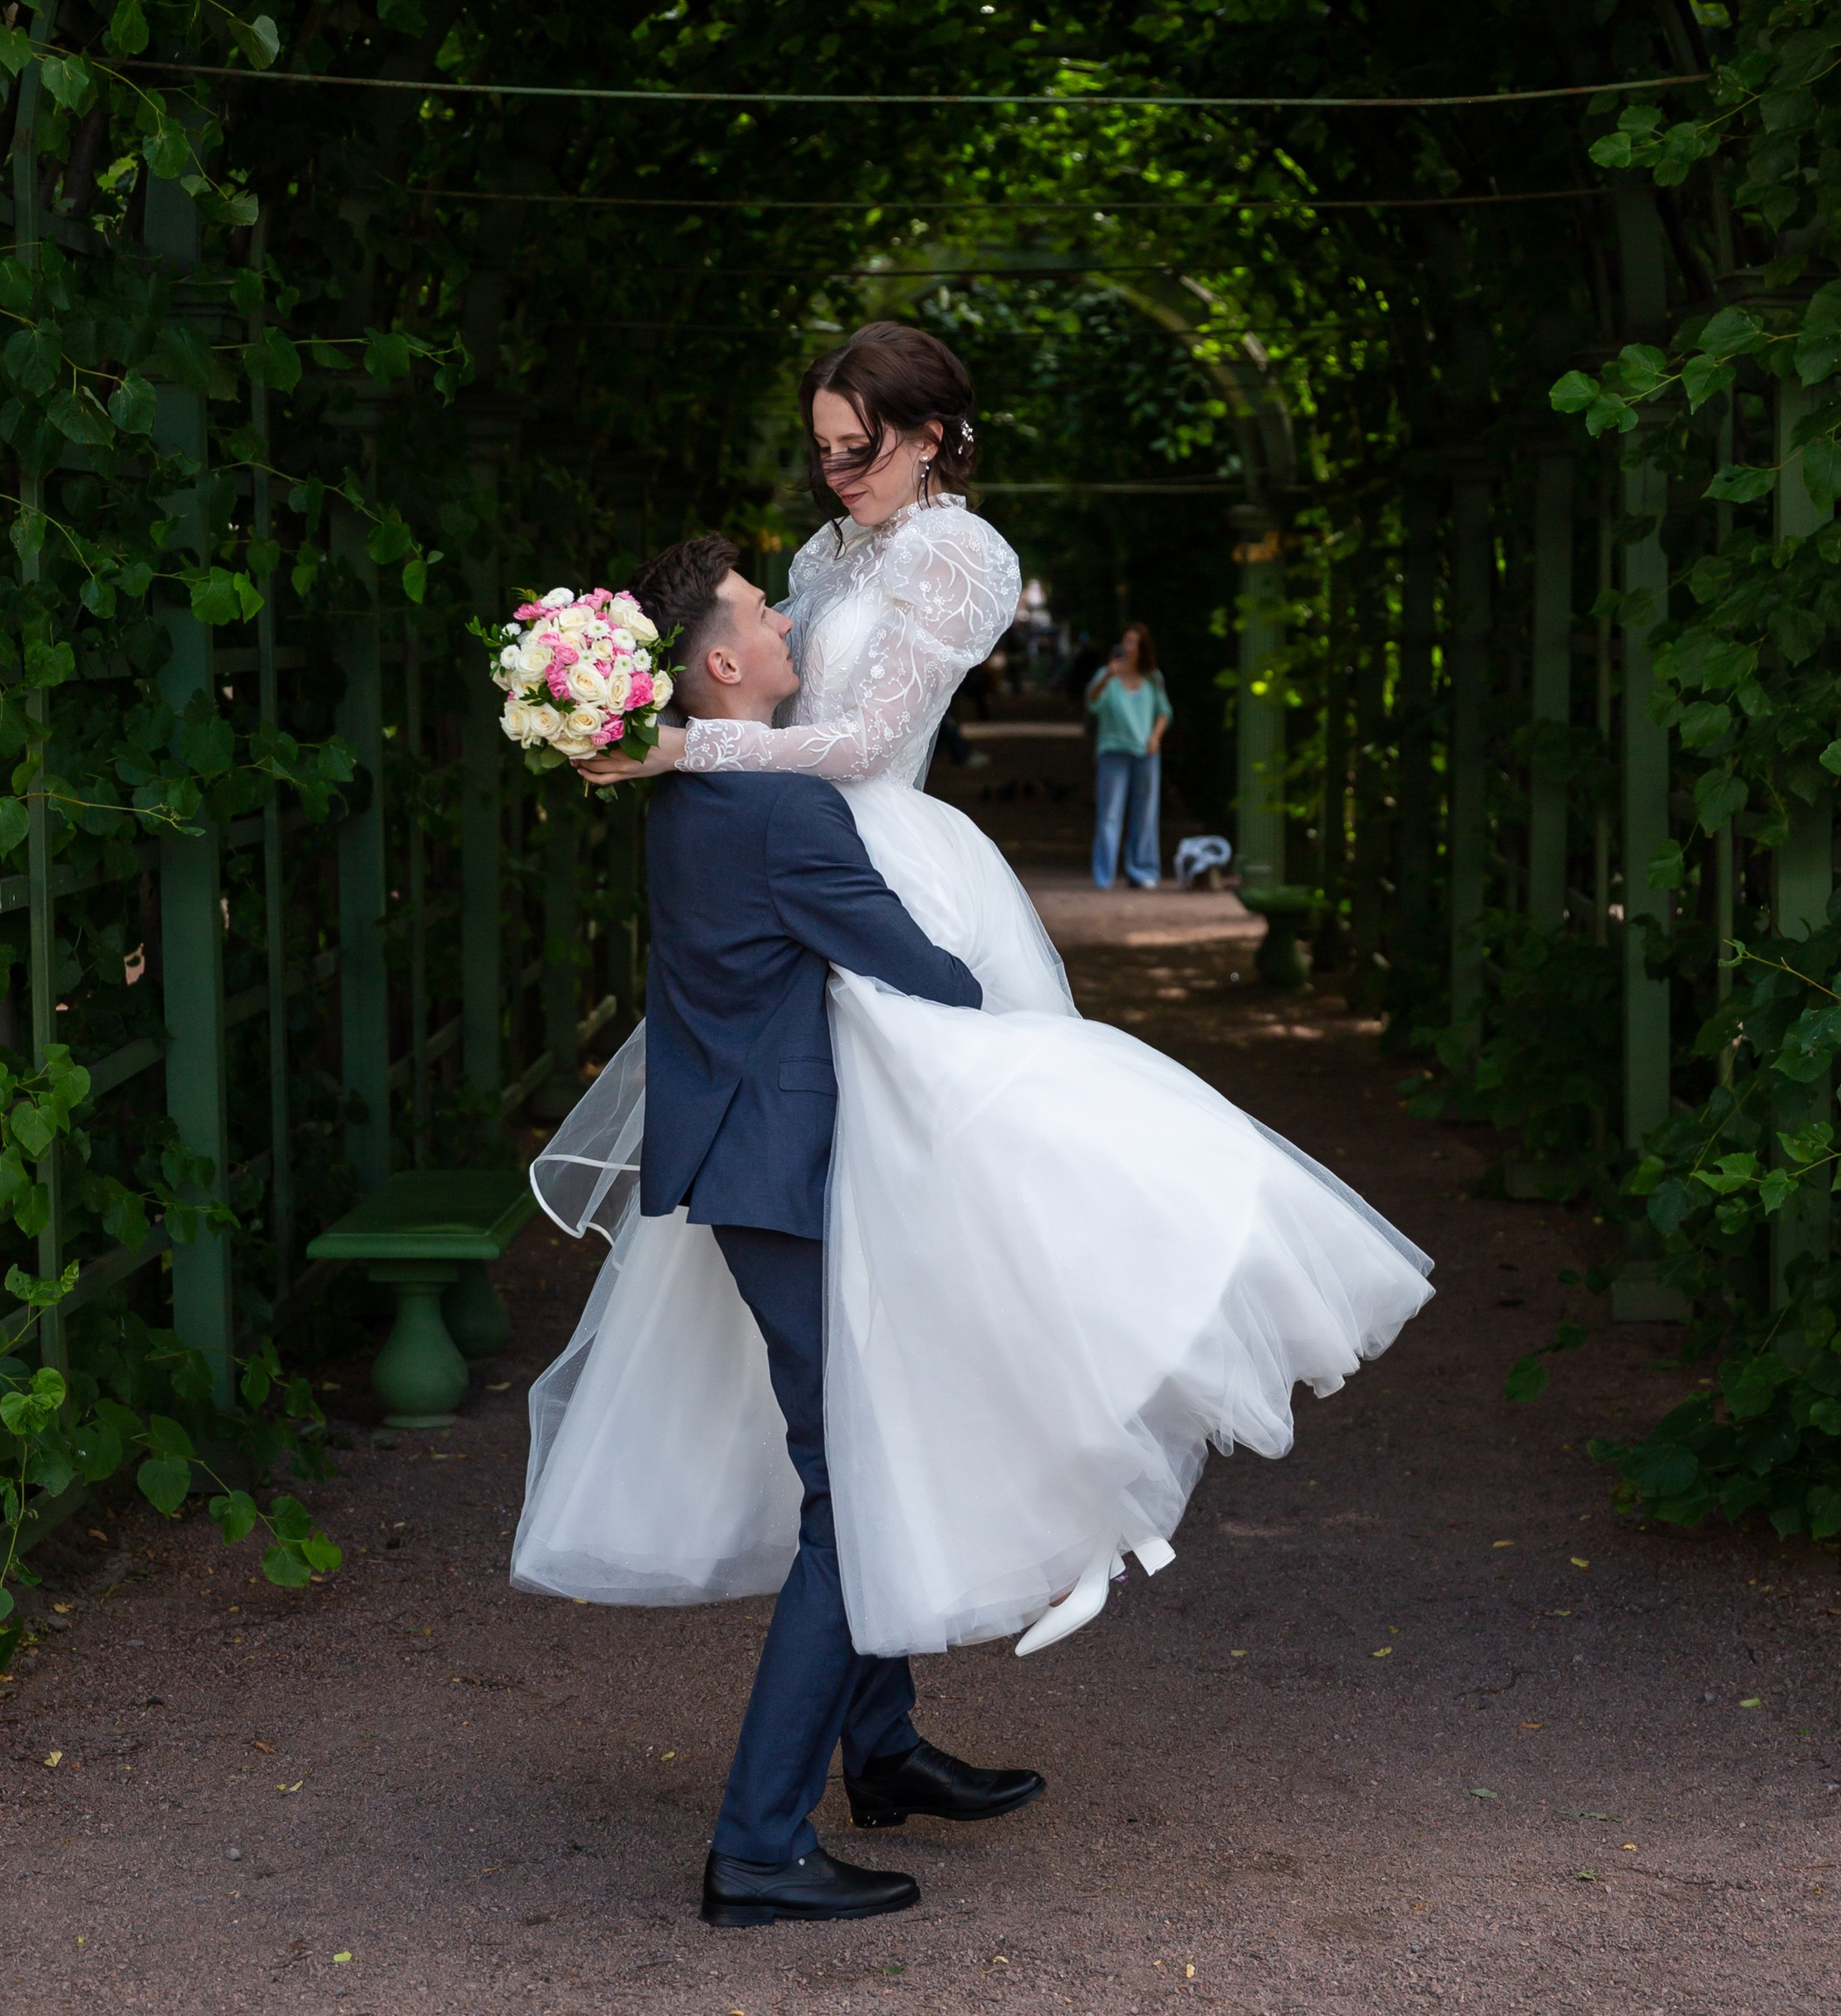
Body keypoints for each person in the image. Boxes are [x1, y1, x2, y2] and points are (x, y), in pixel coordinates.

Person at [518, 319, 1430, 1713]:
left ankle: (1065, 1485)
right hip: (797, 859)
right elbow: (759, 676)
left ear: (932, 433)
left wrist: (679, 745)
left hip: (884, 855)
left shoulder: (963, 551)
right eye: (821, 452)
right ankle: (879, 1733)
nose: (835, 477)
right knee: (865, 1270)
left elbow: (871, 742)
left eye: (859, 449)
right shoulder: (824, 559)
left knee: (976, 1218)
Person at [533, 536, 1044, 1930]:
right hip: (781, 1170)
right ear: (719, 665)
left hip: (743, 1156)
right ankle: (758, 1839)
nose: (788, 621)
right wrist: (994, 987)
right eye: (764, 614)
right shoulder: (782, 813)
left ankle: (877, 1746)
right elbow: (920, 973)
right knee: (854, 1487)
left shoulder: (698, 797)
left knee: (848, 1451)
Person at [1086, 623, 1172, 890]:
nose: (1128, 646)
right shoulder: (1106, 675)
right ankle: (1104, 875)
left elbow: (1164, 711)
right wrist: (1107, 677)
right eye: (1126, 641)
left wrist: (1155, 737)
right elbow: (1092, 702)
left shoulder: (1153, 677)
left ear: (1142, 648)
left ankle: (1143, 870)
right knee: (1109, 815)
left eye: (1133, 642)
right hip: (1113, 750)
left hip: (1145, 752)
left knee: (1145, 814)